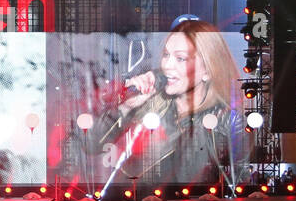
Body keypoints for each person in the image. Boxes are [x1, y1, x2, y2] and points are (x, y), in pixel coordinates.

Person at [90, 19, 240, 185]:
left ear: (207, 70)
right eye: (166, 55)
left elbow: (241, 181)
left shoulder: (226, 120)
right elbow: (91, 145)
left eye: (180, 58)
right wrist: (126, 106)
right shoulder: (153, 104)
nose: (167, 65)